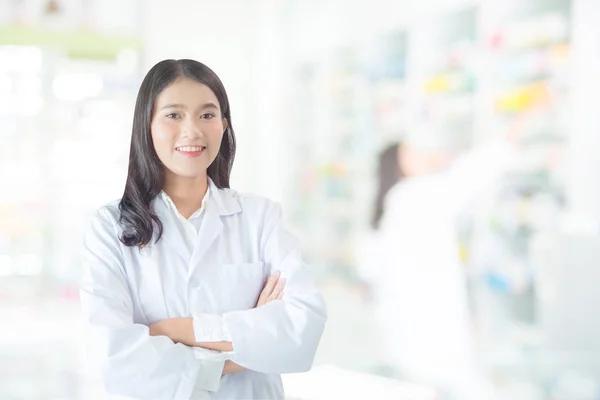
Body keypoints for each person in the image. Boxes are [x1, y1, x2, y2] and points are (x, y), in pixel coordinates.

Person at [79, 59, 327, 400]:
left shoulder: (260, 218)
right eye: (173, 114)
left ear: (224, 125)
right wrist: (246, 347)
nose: (192, 130)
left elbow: (302, 331)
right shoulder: (109, 227)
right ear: (147, 125)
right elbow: (114, 358)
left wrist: (177, 331)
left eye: (207, 115)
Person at [373, 126, 522, 399]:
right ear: (400, 163)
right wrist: (512, 134)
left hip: (414, 341)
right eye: (412, 152)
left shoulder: (397, 205)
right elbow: (465, 179)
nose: (423, 155)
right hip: (431, 339)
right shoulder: (414, 196)